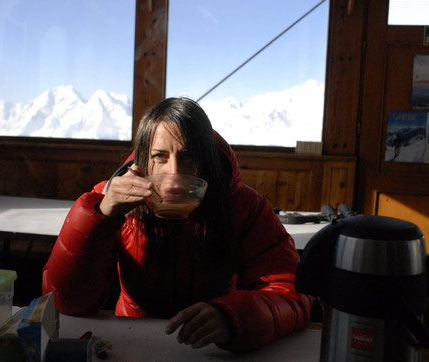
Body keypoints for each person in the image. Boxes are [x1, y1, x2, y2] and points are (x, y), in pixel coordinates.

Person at [42, 97, 312, 352]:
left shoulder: (242, 204)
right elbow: (65, 302)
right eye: (160, 157)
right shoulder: (110, 199)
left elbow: (291, 293)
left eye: (189, 157)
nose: (173, 177)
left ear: (207, 161)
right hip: (130, 340)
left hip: (210, 348)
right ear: (142, 161)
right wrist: (101, 217)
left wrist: (233, 316)